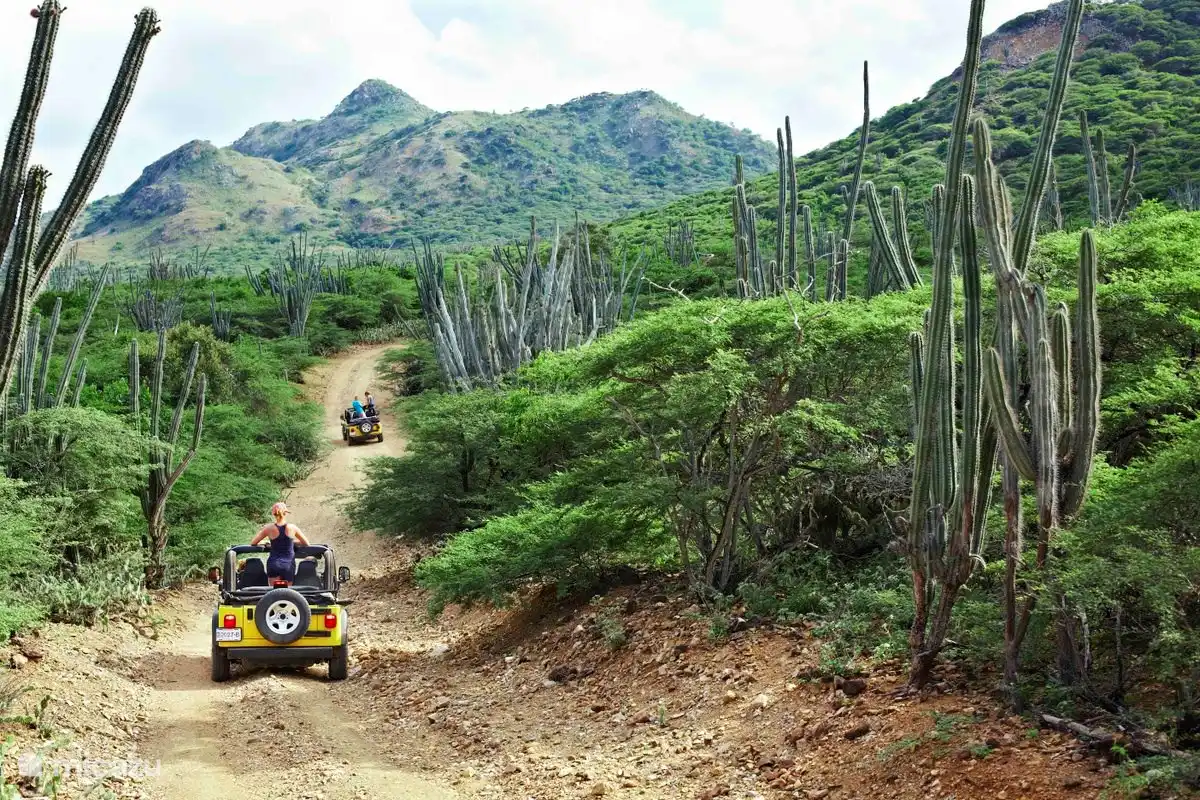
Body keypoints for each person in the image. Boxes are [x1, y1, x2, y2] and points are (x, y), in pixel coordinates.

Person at [250, 502, 309, 585]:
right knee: (287, 593)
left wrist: (269, 543)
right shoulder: (292, 527)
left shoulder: (269, 528)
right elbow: (306, 543)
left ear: (274, 514)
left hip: (273, 564)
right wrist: (290, 542)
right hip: (288, 564)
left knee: (274, 593)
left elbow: (253, 543)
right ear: (285, 513)